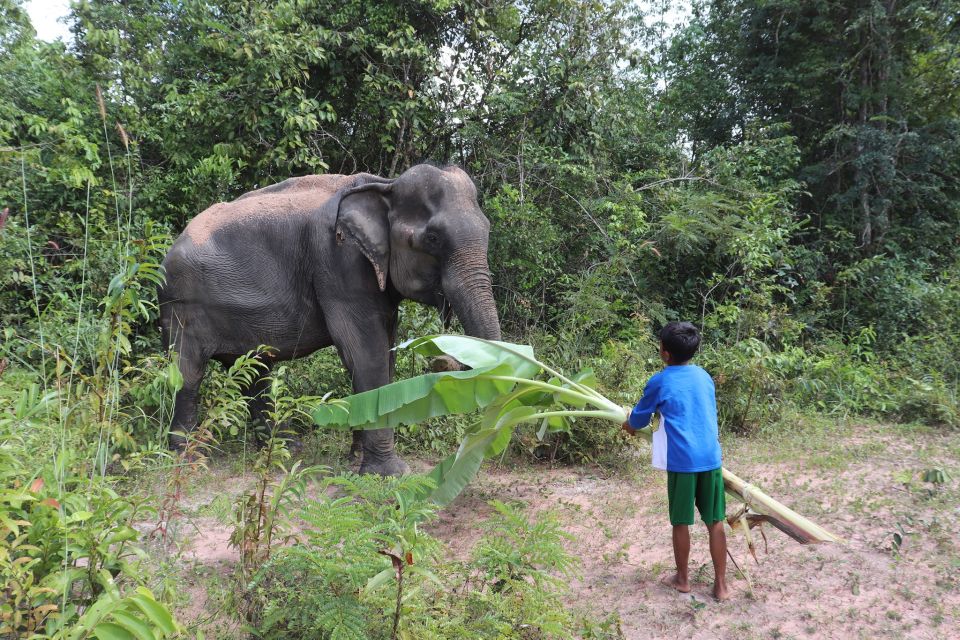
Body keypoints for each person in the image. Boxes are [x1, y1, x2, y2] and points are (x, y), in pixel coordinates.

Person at [622, 321, 729, 601]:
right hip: (711, 457)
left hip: (682, 461)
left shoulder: (660, 381)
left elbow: (639, 418)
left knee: (681, 522)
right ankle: (721, 585)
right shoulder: (704, 376)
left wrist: (630, 425)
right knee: (715, 521)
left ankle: (683, 580)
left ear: (665, 353)